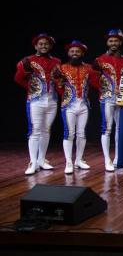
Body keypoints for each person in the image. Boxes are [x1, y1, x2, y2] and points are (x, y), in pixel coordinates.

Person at [14, 33, 61, 175]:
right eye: (40, 44)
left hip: (52, 100)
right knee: (35, 131)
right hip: (35, 101)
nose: (43, 46)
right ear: (35, 46)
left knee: (46, 130)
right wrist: (32, 89)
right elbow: (18, 78)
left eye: (46, 44)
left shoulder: (57, 62)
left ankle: (41, 159)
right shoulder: (28, 60)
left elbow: (59, 81)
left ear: (50, 46)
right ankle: (32, 162)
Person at [93, 28, 123, 172]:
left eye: (116, 40)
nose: (113, 43)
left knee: (120, 129)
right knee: (107, 128)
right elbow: (94, 79)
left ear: (120, 42)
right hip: (107, 98)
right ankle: (107, 159)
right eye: (111, 40)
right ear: (107, 42)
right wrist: (105, 89)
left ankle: (118, 158)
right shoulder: (99, 60)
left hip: (122, 99)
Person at [57, 40, 93, 174]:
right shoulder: (62, 68)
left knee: (81, 133)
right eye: (72, 51)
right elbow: (58, 87)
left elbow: (94, 83)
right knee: (69, 133)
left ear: (82, 53)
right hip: (69, 105)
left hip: (84, 104)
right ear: (68, 53)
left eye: (77, 51)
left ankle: (79, 159)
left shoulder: (89, 68)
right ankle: (69, 162)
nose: (75, 53)